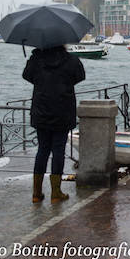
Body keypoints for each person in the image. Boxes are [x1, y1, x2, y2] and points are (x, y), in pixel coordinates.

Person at [23, 45, 85, 204]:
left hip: (41, 111)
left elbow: (27, 76)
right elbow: (80, 76)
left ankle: (37, 193)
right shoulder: (71, 60)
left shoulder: (36, 60)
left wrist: (35, 56)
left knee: (42, 149)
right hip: (63, 111)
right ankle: (56, 193)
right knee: (58, 150)